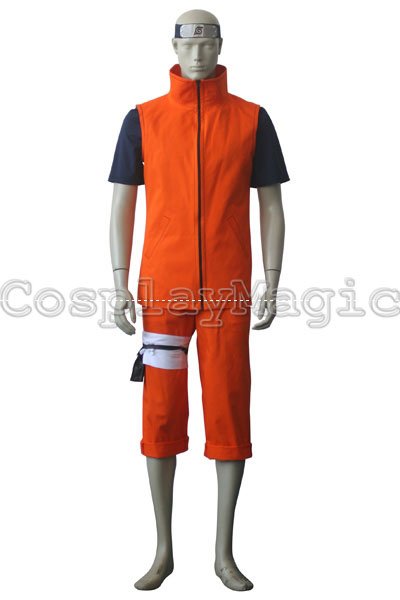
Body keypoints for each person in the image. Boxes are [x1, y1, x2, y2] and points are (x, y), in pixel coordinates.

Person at [108, 8, 290, 592]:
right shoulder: (143, 119)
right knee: (161, 413)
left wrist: (272, 279)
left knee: (230, 408)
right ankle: (163, 551)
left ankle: (223, 554)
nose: (197, 53)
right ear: (173, 47)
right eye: (188, 43)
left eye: (207, 42)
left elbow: (270, 204)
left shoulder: (252, 119)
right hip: (164, 290)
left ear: (220, 46)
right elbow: (122, 202)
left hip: (229, 291)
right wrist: (119, 281)